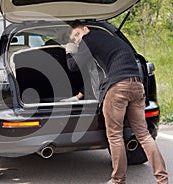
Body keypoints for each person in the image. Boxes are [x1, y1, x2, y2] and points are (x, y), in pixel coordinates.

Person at [66, 20, 168, 184]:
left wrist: (69, 50)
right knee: (143, 135)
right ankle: (162, 179)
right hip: (137, 85)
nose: (77, 40)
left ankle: (118, 180)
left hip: (118, 88)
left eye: (77, 35)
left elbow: (72, 66)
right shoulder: (111, 38)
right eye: (74, 39)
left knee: (114, 136)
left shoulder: (88, 39)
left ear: (85, 29)